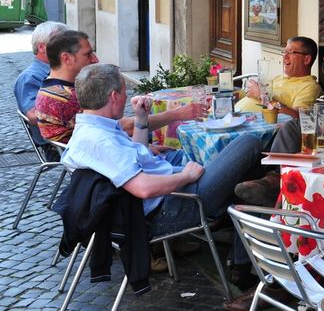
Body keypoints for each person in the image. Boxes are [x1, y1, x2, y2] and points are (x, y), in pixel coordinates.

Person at [59, 64, 262, 288]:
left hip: (166, 194)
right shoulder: (98, 140)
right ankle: (243, 261)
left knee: (247, 177)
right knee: (249, 143)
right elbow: (143, 188)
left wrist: (141, 118)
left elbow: (135, 155)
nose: (127, 97)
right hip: (173, 206)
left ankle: (241, 264)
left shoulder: (95, 128)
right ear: (114, 96)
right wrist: (185, 176)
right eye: (125, 91)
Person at [234, 36, 324, 205]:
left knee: (289, 128)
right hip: (307, 138)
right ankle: (263, 184)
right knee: (258, 149)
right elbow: (309, 116)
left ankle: (275, 183)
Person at [35, 30, 205, 144]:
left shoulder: (50, 88)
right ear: (67, 58)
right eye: (87, 54)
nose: (95, 59)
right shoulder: (68, 97)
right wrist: (178, 114)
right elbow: (125, 127)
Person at [14, 21, 68, 159]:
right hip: (56, 144)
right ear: (42, 47)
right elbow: (33, 115)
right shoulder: (30, 77)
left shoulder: (62, 71)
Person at [235, 36, 322, 118]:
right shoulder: (279, 78)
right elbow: (254, 95)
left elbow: (297, 118)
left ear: (306, 59)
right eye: (284, 52)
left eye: (291, 52)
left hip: (258, 129)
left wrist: (262, 96)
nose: (285, 56)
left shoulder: (310, 87)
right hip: (234, 118)